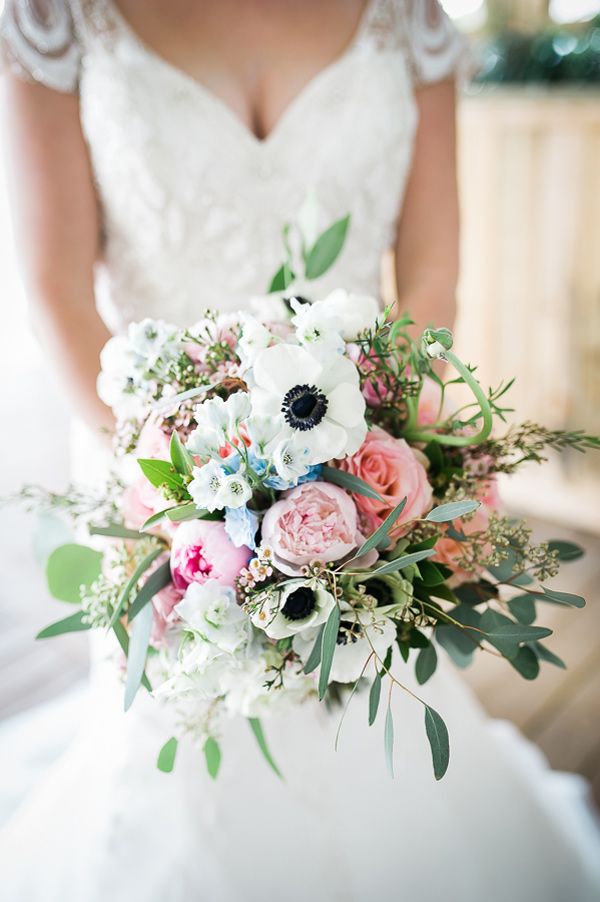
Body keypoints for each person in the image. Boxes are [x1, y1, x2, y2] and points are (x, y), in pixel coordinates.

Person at [0, 2, 599, 900]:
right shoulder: (56, 18)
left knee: (367, 716)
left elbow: (432, 273)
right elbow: (55, 288)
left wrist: (389, 456)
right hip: (153, 473)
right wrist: (176, 495)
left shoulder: (409, 20)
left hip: (370, 463)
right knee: (186, 747)